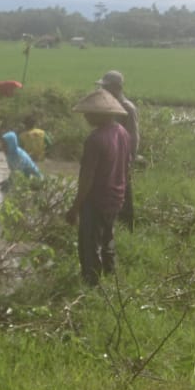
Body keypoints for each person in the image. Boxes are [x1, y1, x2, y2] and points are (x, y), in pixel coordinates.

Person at [64, 89, 130, 286]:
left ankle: (91, 284)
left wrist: (75, 207)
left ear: (100, 114)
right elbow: (126, 166)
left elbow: (87, 178)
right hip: (116, 197)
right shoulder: (122, 133)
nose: (85, 116)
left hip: (96, 200)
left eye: (88, 113)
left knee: (89, 244)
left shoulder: (95, 139)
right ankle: (110, 275)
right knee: (108, 238)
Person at [97, 70, 138, 229]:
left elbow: (133, 137)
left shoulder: (127, 107)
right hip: (110, 157)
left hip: (123, 157)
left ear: (117, 87)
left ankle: (128, 225)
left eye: (106, 87)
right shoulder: (108, 106)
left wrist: (129, 159)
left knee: (124, 191)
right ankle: (111, 224)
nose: (104, 90)